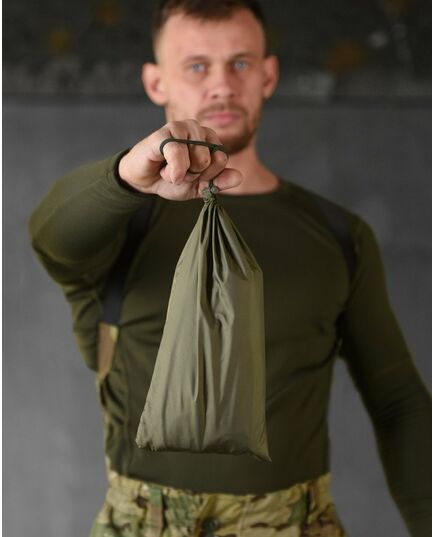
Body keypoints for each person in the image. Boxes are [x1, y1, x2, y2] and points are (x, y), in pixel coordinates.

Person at [28, 1, 431, 536]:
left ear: (269, 75)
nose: (221, 85)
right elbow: (51, 236)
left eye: (240, 63)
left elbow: (398, 401)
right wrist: (126, 176)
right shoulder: (119, 224)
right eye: (197, 65)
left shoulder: (338, 236)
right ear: (156, 82)